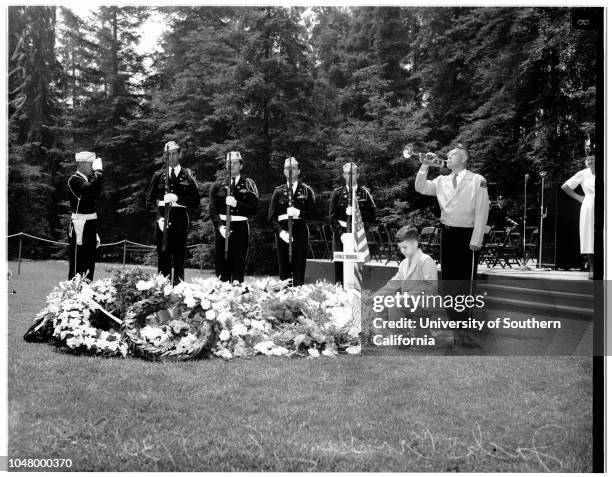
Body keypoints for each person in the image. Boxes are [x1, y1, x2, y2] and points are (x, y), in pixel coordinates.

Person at [414, 144, 489, 347]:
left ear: (464, 159)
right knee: (448, 285)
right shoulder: (442, 180)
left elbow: (482, 211)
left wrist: (476, 239)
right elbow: (420, 187)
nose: (447, 156)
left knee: (465, 285)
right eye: (447, 154)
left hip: (467, 236)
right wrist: (424, 166)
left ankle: (466, 331)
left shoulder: (477, 180)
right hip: (447, 235)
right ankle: (456, 329)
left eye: (452, 154)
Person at [146, 141, 200, 285]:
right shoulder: (158, 175)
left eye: (174, 153)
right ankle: (163, 292)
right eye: (169, 154)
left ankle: (179, 290)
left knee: (179, 257)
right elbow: (150, 201)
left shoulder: (187, 175)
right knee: (163, 256)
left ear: (179, 154)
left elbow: (195, 201)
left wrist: (178, 198)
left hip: (180, 218)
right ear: (165, 156)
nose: (172, 157)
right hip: (162, 218)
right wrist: (158, 218)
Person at [209, 151, 259, 283]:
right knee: (221, 263)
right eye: (229, 163)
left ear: (241, 165)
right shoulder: (217, 185)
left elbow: (254, 209)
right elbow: (212, 209)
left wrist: (237, 204)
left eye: (235, 163)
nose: (232, 165)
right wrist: (219, 226)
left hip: (240, 227)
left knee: (238, 262)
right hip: (222, 228)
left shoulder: (248, 185)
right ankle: (222, 295)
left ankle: (237, 294)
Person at [268, 157, 317, 286]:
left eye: (293, 168)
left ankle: (298, 296)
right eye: (288, 168)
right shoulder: (278, 191)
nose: (291, 171)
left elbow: (314, 214)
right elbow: (271, 217)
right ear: (284, 171)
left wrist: (299, 212)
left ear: (299, 171)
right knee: (284, 268)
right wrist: (280, 232)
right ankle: (285, 300)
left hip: (300, 232)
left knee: (299, 267)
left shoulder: (306, 191)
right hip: (283, 233)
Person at [329, 162, 376, 285]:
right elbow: (331, 217)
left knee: (358, 264)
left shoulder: (365, 194)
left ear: (358, 174)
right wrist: (341, 234)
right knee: (340, 265)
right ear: (344, 175)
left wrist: (357, 211)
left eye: (353, 173)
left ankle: (357, 293)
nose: (350, 176)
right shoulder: (337, 193)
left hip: (358, 234)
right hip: (341, 235)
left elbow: (372, 217)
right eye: (347, 174)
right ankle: (339, 293)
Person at [67, 151, 104, 280]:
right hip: (79, 226)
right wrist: (98, 173)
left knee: (89, 263)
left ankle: (86, 294)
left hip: (90, 225)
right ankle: (74, 296)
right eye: (90, 164)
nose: (92, 168)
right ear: (82, 164)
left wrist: (94, 232)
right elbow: (89, 189)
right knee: (78, 264)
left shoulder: (87, 180)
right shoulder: (74, 180)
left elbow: (94, 189)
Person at [561, 155, 595, 279]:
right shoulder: (583, 173)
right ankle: (592, 268)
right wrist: (579, 198)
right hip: (589, 206)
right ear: (586, 162)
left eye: (594, 158)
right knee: (589, 236)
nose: (591, 161)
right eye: (589, 159)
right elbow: (565, 186)